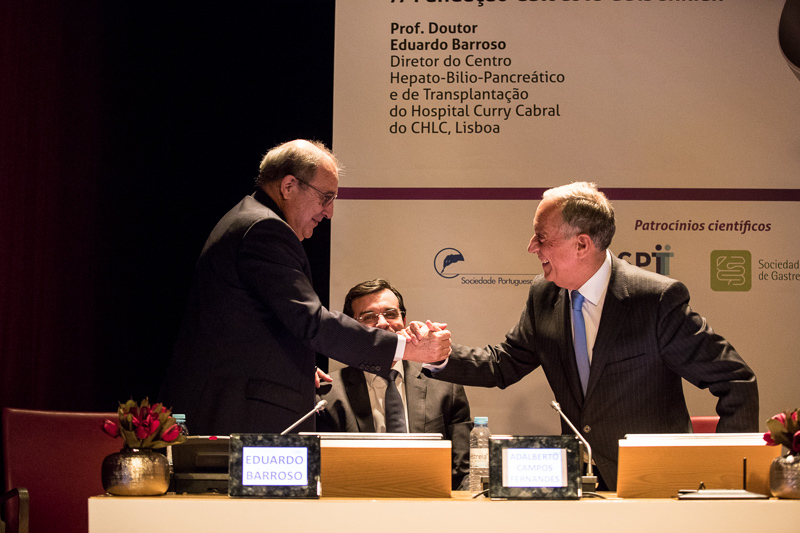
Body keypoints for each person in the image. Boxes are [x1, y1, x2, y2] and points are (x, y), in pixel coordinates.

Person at [426, 182, 758, 490]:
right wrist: (436, 354)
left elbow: (735, 379)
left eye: (541, 237)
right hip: (580, 487)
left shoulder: (654, 301)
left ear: (582, 244)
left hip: (652, 487)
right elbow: (502, 364)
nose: (531, 247)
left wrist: (726, 473)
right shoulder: (543, 295)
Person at [160, 140, 449, 436]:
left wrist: (291, 369)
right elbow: (311, 321)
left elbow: (248, 325)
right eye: (326, 197)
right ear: (288, 186)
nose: (329, 212)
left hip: (230, 408)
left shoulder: (249, 219)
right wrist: (404, 347)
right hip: (238, 416)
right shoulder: (264, 229)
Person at [316, 279, 472, 490]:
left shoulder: (445, 386)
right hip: (357, 502)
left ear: (403, 320)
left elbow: (465, 472)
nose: (382, 323)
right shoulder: (327, 393)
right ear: (351, 328)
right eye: (368, 317)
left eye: (390, 314)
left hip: (431, 502)